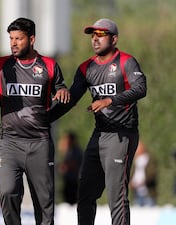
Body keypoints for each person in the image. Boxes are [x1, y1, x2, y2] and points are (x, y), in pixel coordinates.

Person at [0, 18, 70, 225]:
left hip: (39, 143)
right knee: (8, 193)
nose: (13, 43)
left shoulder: (49, 66)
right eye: (11, 38)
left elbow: (61, 90)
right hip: (10, 143)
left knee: (44, 202)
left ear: (31, 39)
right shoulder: (1, 64)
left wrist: (61, 91)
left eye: (19, 38)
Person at [49, 18, 147, 225]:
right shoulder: (86, 68)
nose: (95, 39)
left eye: (101, 35)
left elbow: (140, 89)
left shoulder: (126, 62)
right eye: (93, 35)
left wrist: (110, 100)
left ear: (114, 39)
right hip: (99, 134)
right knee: (84, 193)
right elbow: (71, 100)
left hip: (122, 134)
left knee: (116, 195)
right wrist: (44, 119)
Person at [57, 131, 83, 205]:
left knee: (73, 200)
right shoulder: (68, 151)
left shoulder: (77, 150)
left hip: (74, 180)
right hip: (68, 179)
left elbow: (76, 163)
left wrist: (66, 166)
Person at [130, 141, 157, 206]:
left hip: (148, 193)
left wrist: (142, 182)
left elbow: (152, 174)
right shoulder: (136, 160)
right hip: (137, 193)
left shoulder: (150, 159)